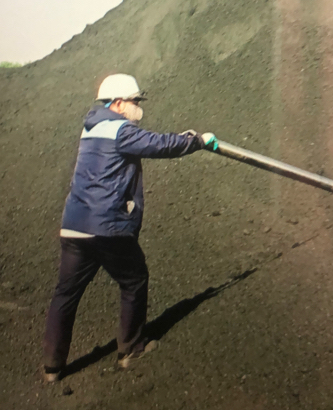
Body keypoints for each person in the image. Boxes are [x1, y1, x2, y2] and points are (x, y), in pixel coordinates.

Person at [43, 73, 216, 381]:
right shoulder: (120, 130)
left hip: (73, 226)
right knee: (134, 280)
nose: (139, 106)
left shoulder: (90, 128)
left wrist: (184, 137)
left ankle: (52, 367)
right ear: (119, 103)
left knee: (66, 293)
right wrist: (197, 141)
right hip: (107, 227)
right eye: (135, 101)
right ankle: (131, 349)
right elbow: (158, 145)